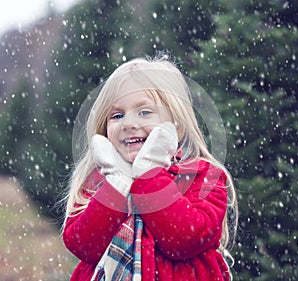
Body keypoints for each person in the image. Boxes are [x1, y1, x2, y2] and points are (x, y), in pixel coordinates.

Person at [62, 53, 238, 281]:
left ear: (176, 125)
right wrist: (117, 183)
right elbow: (83, 245)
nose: (129, 124)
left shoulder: (203, 177)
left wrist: (149, 175)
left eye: (144, 112)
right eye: (117, 115)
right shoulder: (99, 181)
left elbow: (183, 239)